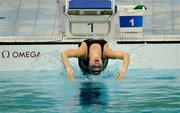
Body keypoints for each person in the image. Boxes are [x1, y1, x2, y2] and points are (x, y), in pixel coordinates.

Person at [61, 39, 130, 80]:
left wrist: (68, 67)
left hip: (84, 64)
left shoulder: (83, 52)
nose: (97, 64)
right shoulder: (106, 53)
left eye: (94, 66)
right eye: (99, 67)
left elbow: (64, 53)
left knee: (85, 74)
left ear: (90, 63)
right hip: (101, 56)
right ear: (102, 64)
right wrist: (123, 70)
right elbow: (125, 55)